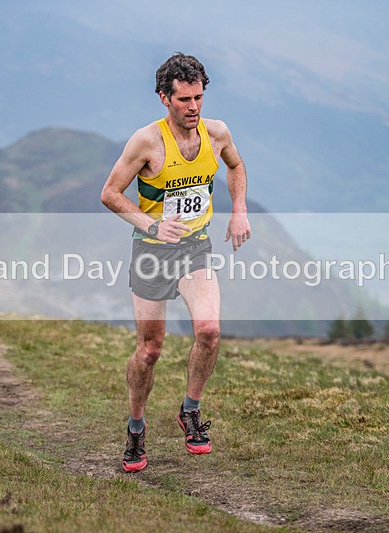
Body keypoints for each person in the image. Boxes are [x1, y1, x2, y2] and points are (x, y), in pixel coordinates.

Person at [101, 53, 251, 473]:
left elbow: (236, 166)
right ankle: (135, 429)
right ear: (164, 98)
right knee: (150, 350)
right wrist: (150, 226)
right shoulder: (146, 142)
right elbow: (110, 193)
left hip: (194, 248)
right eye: (184, 99)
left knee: (209, 331)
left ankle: (190, 410)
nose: (194, 108)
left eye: (199, 97)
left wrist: (239, 209)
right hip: (151, 253)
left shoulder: (216, 132)